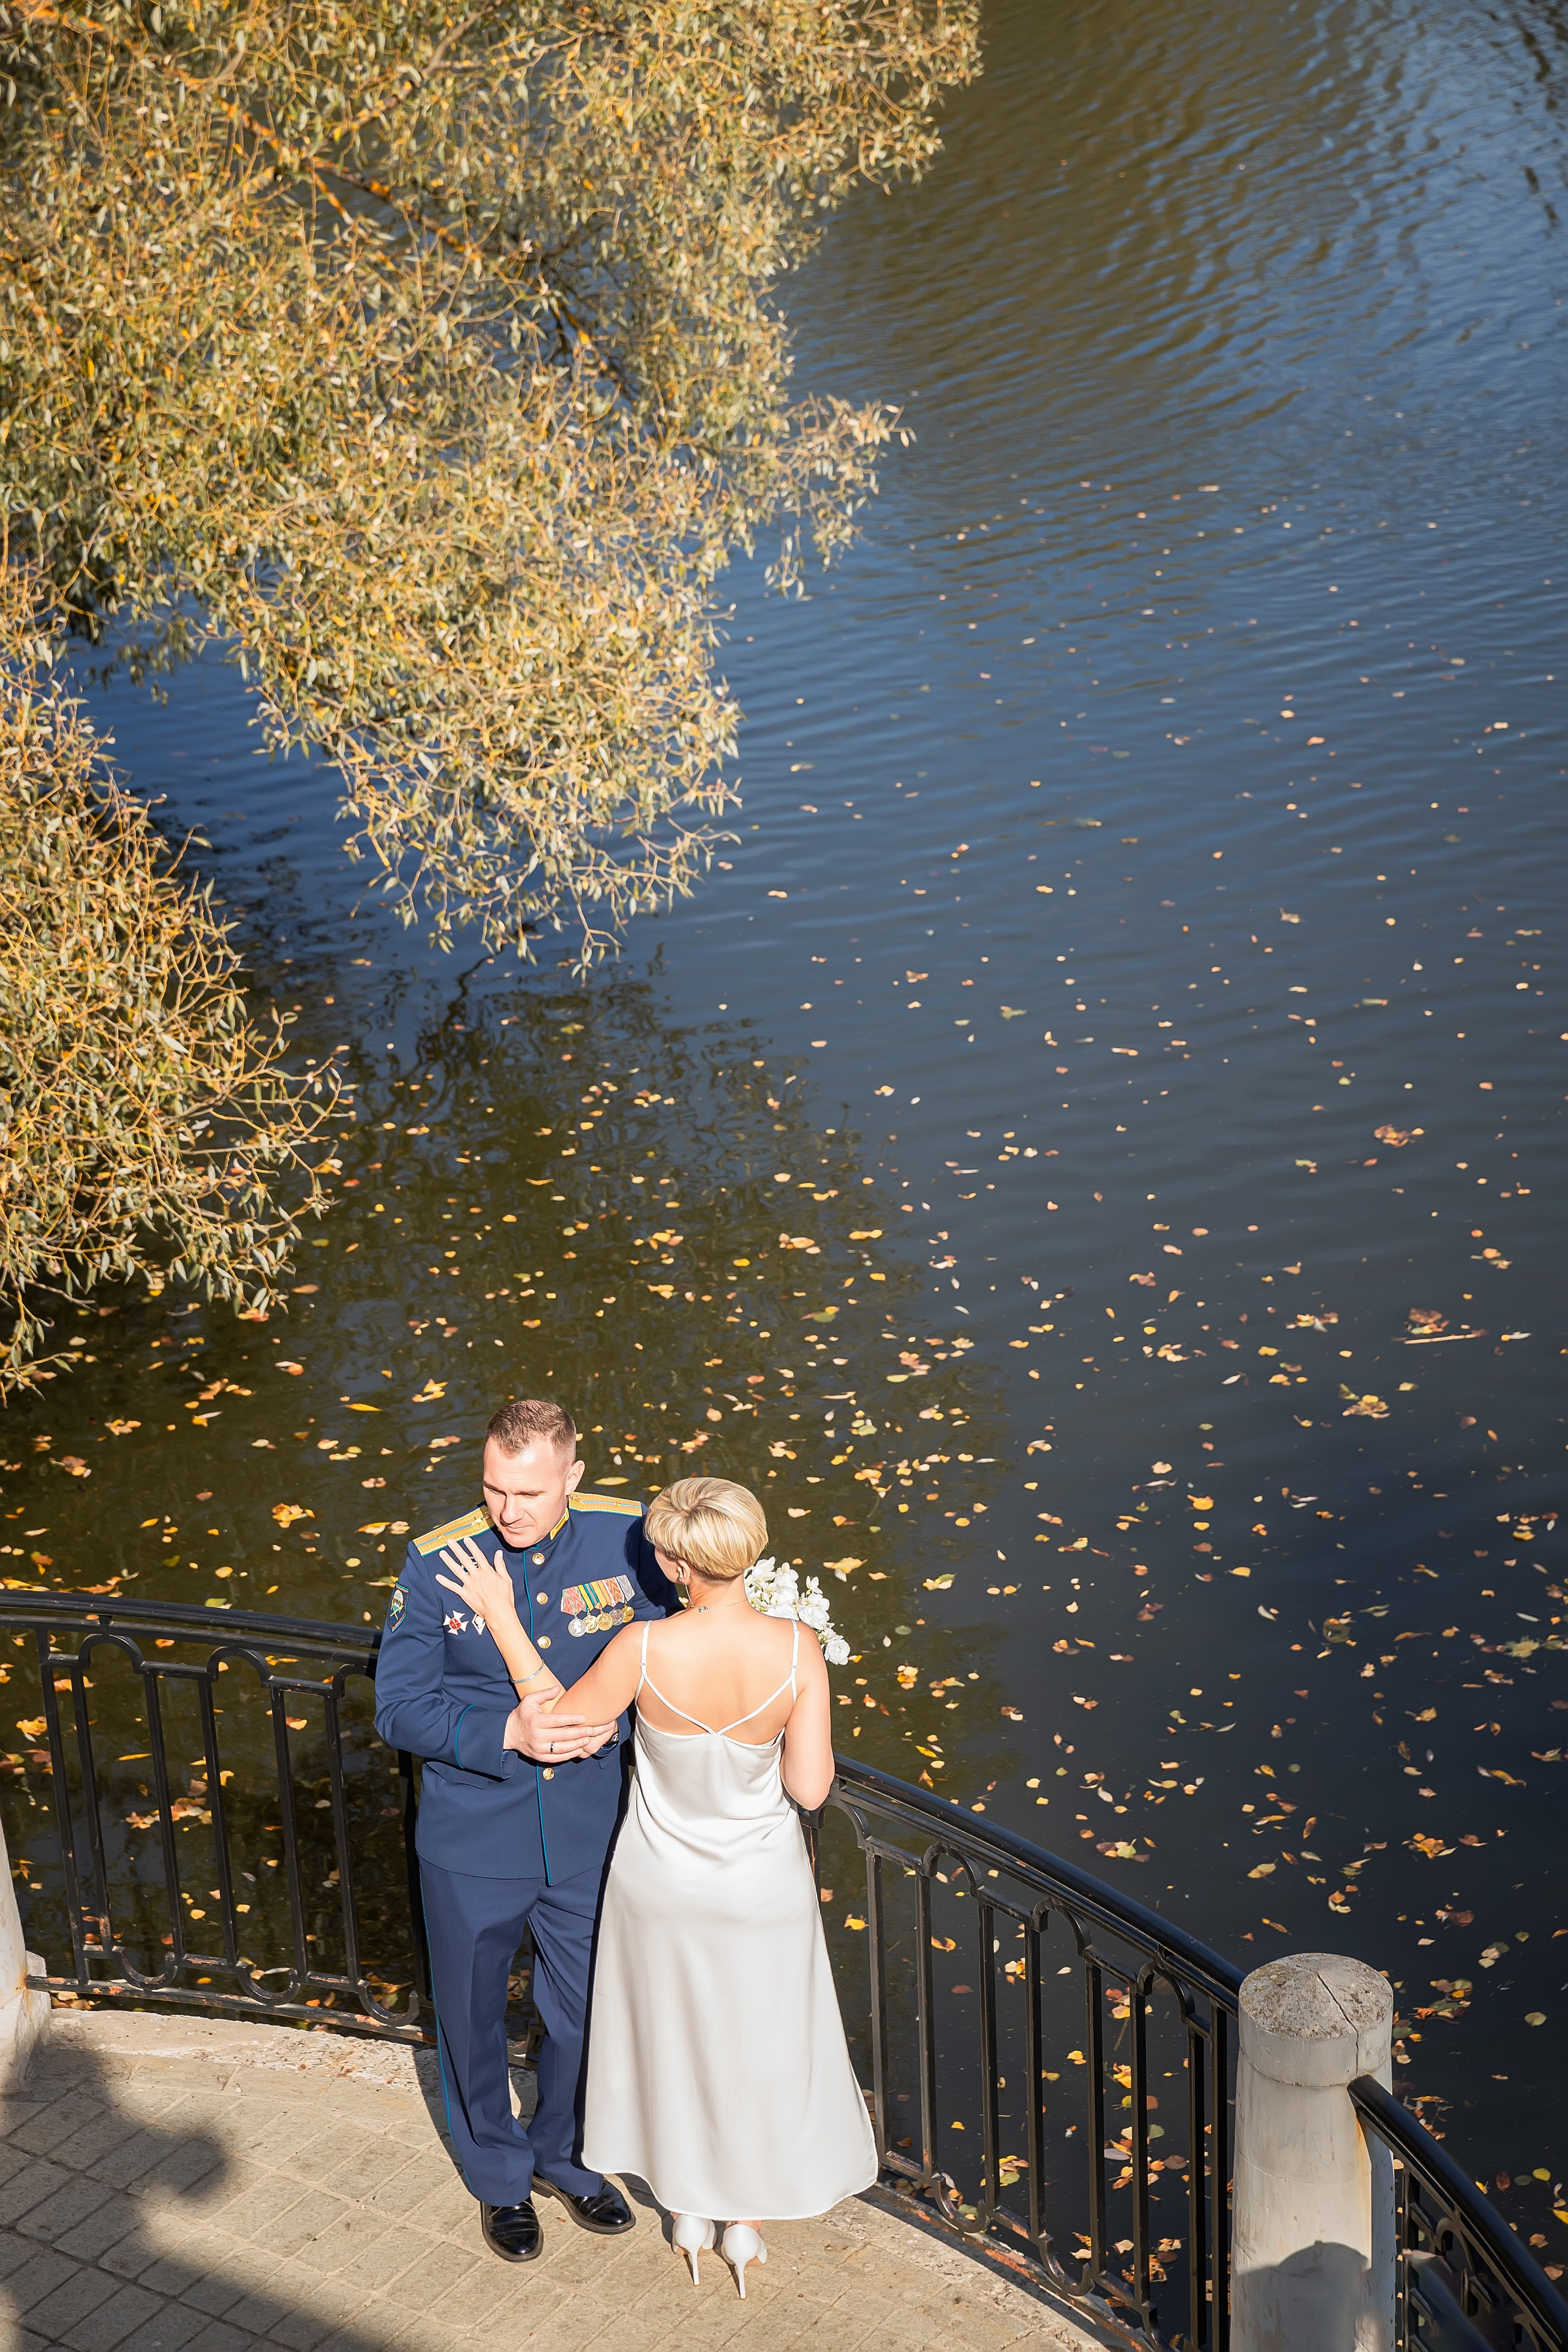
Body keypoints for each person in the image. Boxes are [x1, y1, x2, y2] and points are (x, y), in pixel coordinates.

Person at [433, 1474, 877, 2299]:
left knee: (676, 2038)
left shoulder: (643, 1648)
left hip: (662, 1881)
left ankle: (688, 2208)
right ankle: (742, 2219)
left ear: (676, 1565)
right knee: (754, 2041)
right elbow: (810, 1788)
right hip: (761, 1884)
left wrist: (501, 1616)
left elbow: (561, 1720)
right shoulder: (797, 1649)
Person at [373, 1397, 676, 2265]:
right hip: (473, 1840)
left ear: (572, 1477)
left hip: (587, 1833)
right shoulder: (438, 1561)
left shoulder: (630, 1539)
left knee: (586, 2015)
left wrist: (612, 1728)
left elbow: (669, 1659)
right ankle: (501, 2177)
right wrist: (503, 1732)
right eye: (494, 1489)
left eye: (531, 1493)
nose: (508, 1511)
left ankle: (565, 2154)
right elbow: (398, 1707)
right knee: (471, 2020)